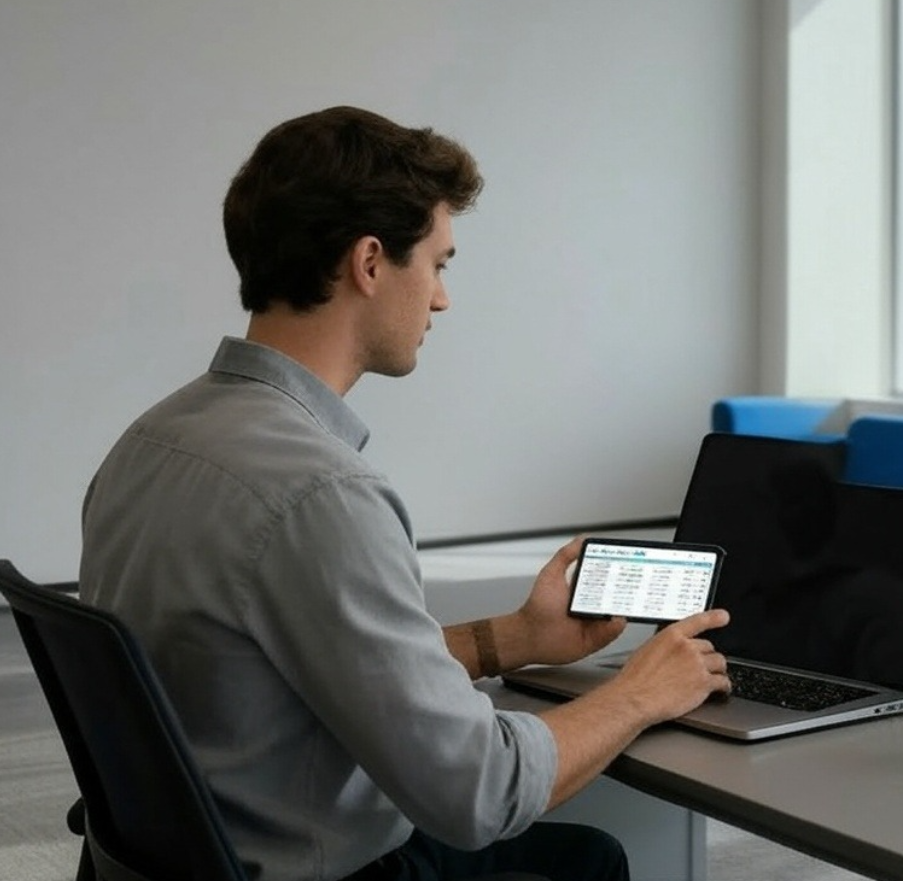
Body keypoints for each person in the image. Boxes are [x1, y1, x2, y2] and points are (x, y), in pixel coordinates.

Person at [78, 106, 731, 881]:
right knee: (581, 862)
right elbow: (479, 791)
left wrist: (517, 637)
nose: (442, 299)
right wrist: (639, 692)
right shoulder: (323, 493)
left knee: (587, 854)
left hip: (183, 856)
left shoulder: (149, 442)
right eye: (439, 263)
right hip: (314, 865)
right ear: (369, 262)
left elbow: (309, 664)